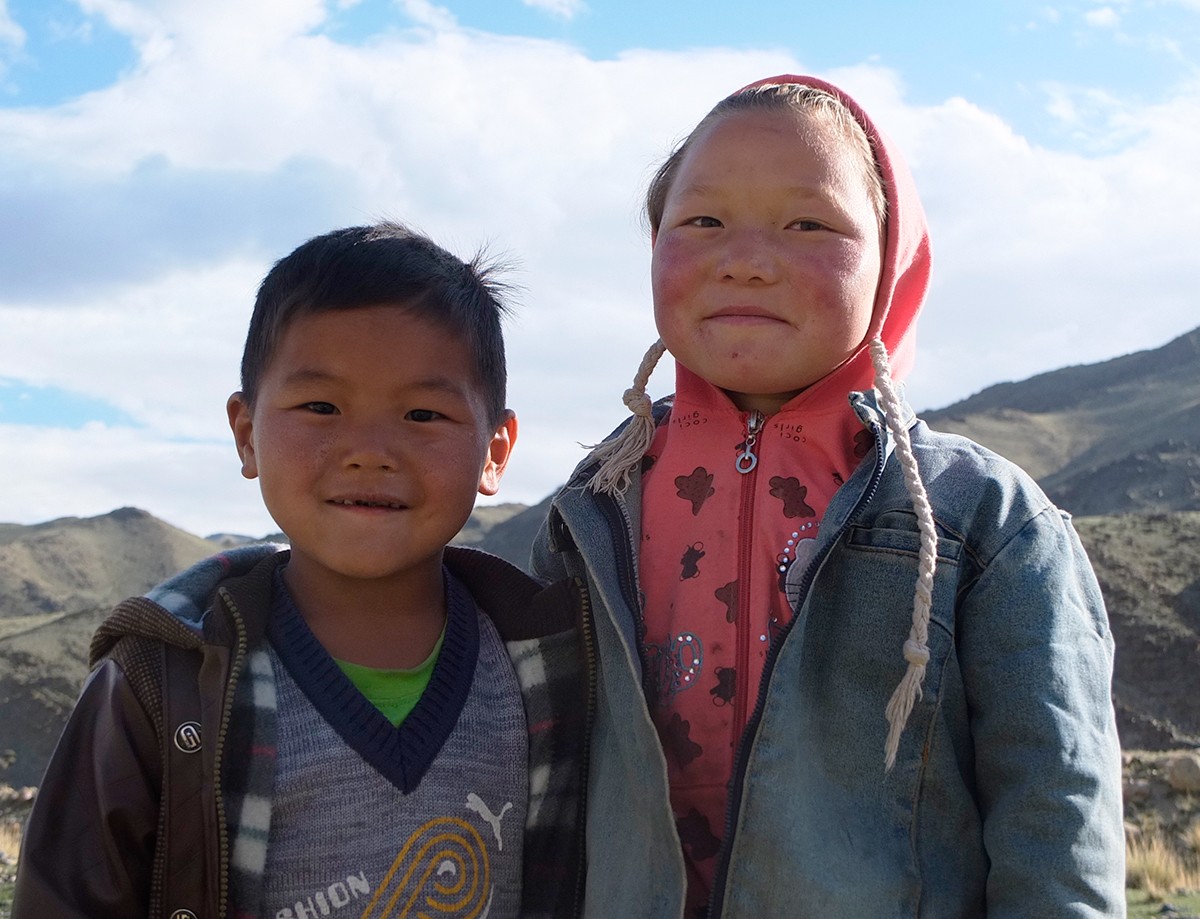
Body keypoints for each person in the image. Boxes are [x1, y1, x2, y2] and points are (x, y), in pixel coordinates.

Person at [532, 76, 1125, 917]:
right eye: (701, 221)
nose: (744, 257)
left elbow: (1055, 817)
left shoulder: (982, 521)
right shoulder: (593, 509)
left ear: (892, 265)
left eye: (809, 223)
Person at [14, 223, 593, 919]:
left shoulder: (553, 668)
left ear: (495, 449)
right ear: (247, 431)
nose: (370, 450)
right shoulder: (160, 682)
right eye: (321, 406)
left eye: (422, 413)